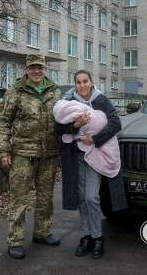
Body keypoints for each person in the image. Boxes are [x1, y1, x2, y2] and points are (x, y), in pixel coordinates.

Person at [55, 70, 127, 259]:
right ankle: (86, 236)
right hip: (76, 155)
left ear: (91, 82)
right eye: (78, 82)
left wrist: (95, 139)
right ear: (75, 84)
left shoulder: (101, 100)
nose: (82, 85)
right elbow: (58, 127)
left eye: (85, 81)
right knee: (80, 197)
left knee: (91, 197)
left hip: (96, 155)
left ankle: (98, 238)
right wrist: (76, 125)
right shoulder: (69, 101)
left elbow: (115, 123)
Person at [0, 54, 62, 259]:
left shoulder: (55, 91)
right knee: (19, 199)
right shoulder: (16, 91)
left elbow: (62, 120)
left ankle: (42, 232)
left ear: (45, 69)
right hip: (23, 154)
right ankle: (15, 240)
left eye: (40, 67)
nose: (36, 71)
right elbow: (4, 122)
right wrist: (3, 151)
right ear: (26, 69)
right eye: (32, 67)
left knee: (45, 198)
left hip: (49, 154)